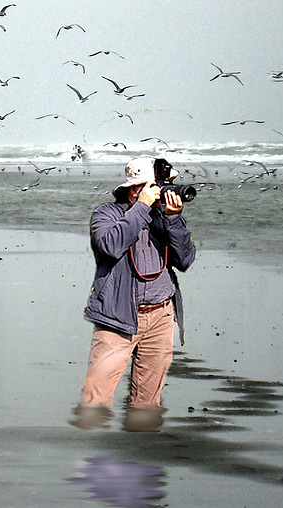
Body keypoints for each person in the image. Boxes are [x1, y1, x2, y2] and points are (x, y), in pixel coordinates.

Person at [70, 156, 196, 431]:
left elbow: (185, 260)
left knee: (148, 403)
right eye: (156, 186)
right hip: (117, 316)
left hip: (161, 316)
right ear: (134, 188)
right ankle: (85, 454)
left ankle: (140, 451)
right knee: (96, 398)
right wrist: (141, 209)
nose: (163, 191)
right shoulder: (106, 213)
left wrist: (173, 220)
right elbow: (111, 246)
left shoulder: (162, 217)